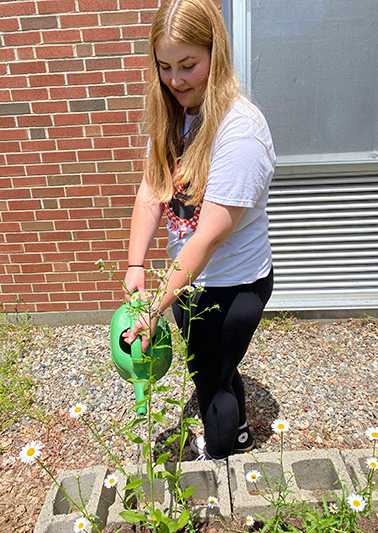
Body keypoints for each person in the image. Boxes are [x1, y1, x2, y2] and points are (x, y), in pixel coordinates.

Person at [122, 0, 276, 461]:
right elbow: (152, 188)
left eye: (189, 65)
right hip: (189, 282)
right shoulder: (174, 112)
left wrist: (153, 309)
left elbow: (207, 236)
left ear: (217, 52)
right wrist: (135, 264)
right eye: (165, 66)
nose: (176, 80)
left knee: (210, 382)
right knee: (215, 367)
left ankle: (220, 456)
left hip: (232, 286)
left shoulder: (240, 131)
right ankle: (242, 430)